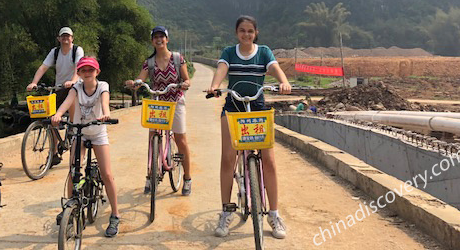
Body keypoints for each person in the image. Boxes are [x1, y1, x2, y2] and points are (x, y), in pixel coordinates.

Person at [207, 15, 292, 239]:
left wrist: (283, 81)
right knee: (228, 158)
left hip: (257, 109)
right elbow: (222, 70)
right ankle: (226, 211)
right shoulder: (228, 52)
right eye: (242, 31)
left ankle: (273, 214)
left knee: (269, 161)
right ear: (237, 32)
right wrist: (215, 86)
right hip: (233, 108)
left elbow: (274, 68)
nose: (246, 34)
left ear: (256, 33)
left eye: (250, 31)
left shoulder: (264, 52)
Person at [51, 56, 121, 238]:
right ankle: (70, 205)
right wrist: (58, 114)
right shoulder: (76, 87)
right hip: (79, 133)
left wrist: (106, 114)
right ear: (79, 73)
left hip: (98, 133)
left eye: (91, 69)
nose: (87, 73)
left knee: (106, 174)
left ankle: (115, 214)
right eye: (84, 70)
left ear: (97, 71)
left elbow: (105, 102)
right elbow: (68, 101)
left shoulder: (103, 86)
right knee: (73, 170)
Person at [125, 25, 193, 196]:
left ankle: (187, 178)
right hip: (157, 102)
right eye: (156, 37)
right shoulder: (149, 63)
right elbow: (141, 77)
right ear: (152, 41)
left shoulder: (177, 59)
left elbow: (186, 79)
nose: (159, 39)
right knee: (152, 138)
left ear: (167, 39)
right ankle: (149, 175)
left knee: (180, 139)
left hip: (175, 101)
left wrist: (185, 84)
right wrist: (135, 83)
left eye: (162, 36)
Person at [27, 26, 84, 165]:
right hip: (59, 87)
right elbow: (43, 67)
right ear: (59, 38)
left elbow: (78, 67)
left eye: (68, 36)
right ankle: (53, 154)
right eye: (63, 36)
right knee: (52, 118)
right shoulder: (55, 52)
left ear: (72, 38)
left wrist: (73, 81)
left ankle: (72, 127)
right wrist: (34, 83)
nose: (65, 38)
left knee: (72, 100)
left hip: (75, 86)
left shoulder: (77, 50)